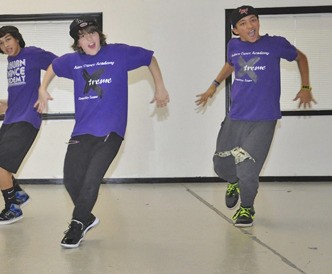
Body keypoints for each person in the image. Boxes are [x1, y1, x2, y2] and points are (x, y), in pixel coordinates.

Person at [35, 17, 170, 248]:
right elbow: (53, 67)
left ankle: (76, 224)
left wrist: (159, 86)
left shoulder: (119, 53)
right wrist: (41, 88)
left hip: (111, 131)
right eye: (83, 36)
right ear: (77, 42)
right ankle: (87, 217)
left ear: (99, 34)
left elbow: (149, 58)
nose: (89, 38)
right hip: (82, 130)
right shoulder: (73, 61)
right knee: (71, 180)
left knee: (91, 180)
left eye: (92, 33)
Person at [195, 5, 315, 227]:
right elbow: (232, 64)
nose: (250, 26)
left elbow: (302, 58)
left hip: (264, 117)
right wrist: (214, 85)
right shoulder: (233, 45)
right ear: (235, 30)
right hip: (236, 115)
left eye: (253, 20)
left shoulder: (275, 44)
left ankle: (247, 208)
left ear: (258, 22)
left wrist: (306, 86)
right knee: (221, 164)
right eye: (243, 23)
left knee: (247, 167)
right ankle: (233, 182)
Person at [0, 26, 57, 225]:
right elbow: (23, 89)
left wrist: (43, 88)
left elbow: (58, 63)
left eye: (8, 39)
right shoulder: (11, 61)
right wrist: (7, 104)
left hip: (27, 118)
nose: (5, 45)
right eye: (1, 43)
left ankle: (12, 208)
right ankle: (19, 195)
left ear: (17, 39)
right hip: (12, 117)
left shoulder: (31, 53)